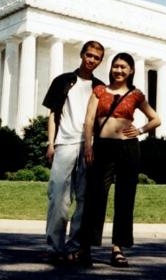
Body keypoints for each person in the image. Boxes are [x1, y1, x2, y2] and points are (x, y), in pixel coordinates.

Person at [80, 52, 161, 267]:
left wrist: (141, 130)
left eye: (123, 67)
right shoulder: (99, 91)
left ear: (131, 70)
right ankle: (86, 246)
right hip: (103, 147)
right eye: (116, 66)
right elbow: (89, 121)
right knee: (95, 196)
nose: (119, 70)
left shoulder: (135, 95)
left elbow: (156, 119)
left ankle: (118, 248)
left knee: (125, 199)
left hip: (128, 149)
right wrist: (89, 145)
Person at [42, 40, 105, 265]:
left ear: (100, 61)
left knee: (85, 199)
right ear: (81, 54)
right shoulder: (63, 81)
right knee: (58, 197)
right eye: (89, 55)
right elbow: (53, 114)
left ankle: (76, 246)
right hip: (65, 144)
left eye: (97, 58)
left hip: (89, 147)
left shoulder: (100, 87)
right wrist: (51, 143)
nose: (91, 60)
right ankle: (55, 247)